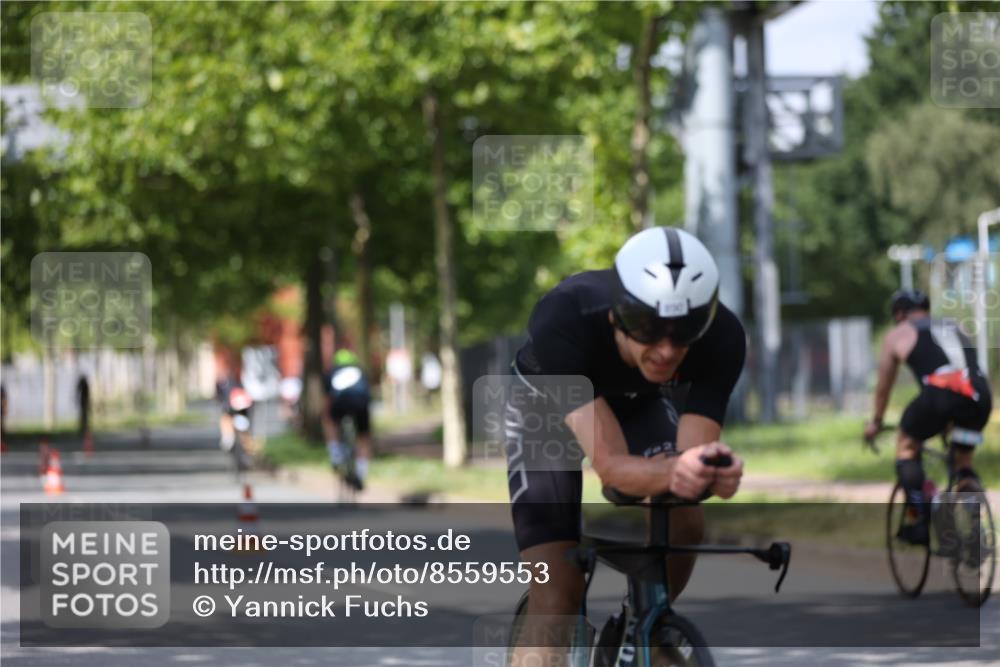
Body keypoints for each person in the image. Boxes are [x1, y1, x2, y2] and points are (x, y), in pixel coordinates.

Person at [505, 226, 746, 660]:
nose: (667, 350)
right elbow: (612, 467)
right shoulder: (564, 317)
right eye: (648, 328)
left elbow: (688, 462)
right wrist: (679, 469)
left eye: (684, 332)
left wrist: (709, 472)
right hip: (543, 408)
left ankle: (647, 625)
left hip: (636, 402)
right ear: (617, 315)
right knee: (557, 595)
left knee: (685, 516)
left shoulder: (722, 337)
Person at [864, 289, 993, 544]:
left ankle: (920, 519)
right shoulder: (955, 326)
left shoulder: (897, 334)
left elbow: (883, 389)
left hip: (940, 395)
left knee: (906, 445)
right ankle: (972, 514)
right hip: (979, 398)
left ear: (899, 314)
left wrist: (876, 423)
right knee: (963, 460)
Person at [322, 348, 373, 491]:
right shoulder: (361, 371)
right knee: (364, 437)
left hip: (340, 404)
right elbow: (368, 393)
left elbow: (327, 399)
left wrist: (327, 415)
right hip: (361, 405)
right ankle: (361, 473)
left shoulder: (331, 372)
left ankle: (335, 454)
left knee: (329, 421)